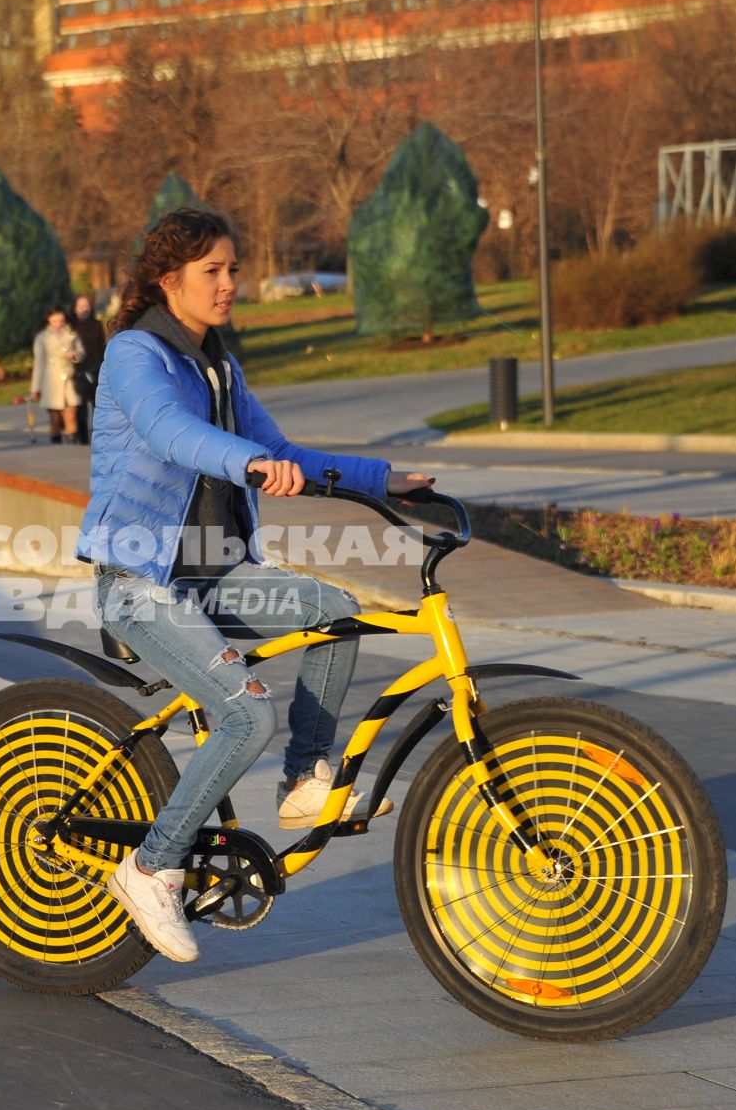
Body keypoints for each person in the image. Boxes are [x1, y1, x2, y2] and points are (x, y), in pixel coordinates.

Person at [78, 208, 433, 964]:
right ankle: (149, 867)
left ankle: (307, 775)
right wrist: (245, 462)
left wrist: (386, 481)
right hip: (141, 580)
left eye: (234, 268)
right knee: (244, 715)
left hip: (214, 573)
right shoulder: (136, 356)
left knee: (335, 611)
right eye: (215, 271)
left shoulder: (219, 364)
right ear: (169, 280)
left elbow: (280, 450)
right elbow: (174, 433)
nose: (231, 283)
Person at [29, 305, 86, 444]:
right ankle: (56, 444)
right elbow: (39, 363)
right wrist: (35, 389)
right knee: (54, 418)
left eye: (61, 321)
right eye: (55, 321)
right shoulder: (42, 337)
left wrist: (75, 355)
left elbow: (82, 352)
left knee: (71, 413)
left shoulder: (72, 333)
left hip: (70, 378)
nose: (58, 324)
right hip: (51, 380)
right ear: (48, 320)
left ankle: (72, 443)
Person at [70, 292, 106, 446]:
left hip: (96, 368)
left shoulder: (97, 325)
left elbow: (102, 345)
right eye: (81, 306)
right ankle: (82, 438)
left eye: (87, 306)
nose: (84, 309)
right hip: (79, 371)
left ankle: (98, 437)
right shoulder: (71, 327)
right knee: (81, 407)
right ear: (75, 309)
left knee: (98, 406)